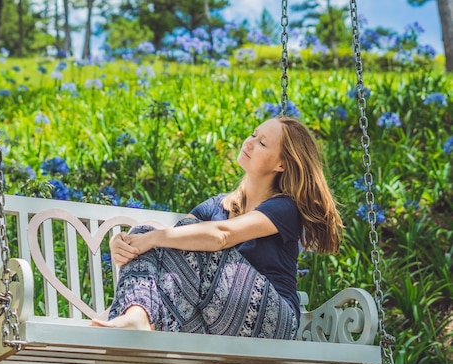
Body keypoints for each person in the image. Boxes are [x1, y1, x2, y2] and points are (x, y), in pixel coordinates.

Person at [91, 116, 343, 340]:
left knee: (188, 238)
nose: (249, 143)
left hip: (273, 321)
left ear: (282, 165)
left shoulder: (285, 207)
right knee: (157, 234)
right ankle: (137, 316)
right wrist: (127, 243)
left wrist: (154, 237)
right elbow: (172, 245)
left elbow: (222, 236)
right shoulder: (218, 205)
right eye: (253, 135)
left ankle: (142, 319)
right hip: (215, 319)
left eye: (263, 143)